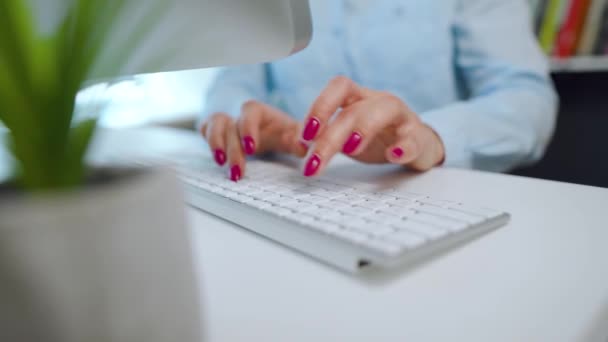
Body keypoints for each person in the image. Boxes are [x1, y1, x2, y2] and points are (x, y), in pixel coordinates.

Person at [199, 0, 558, 182]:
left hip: (435, 199)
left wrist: (431, 136)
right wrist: (238, 119)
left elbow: (526, 97)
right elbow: (231, 82)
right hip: (300, 194)